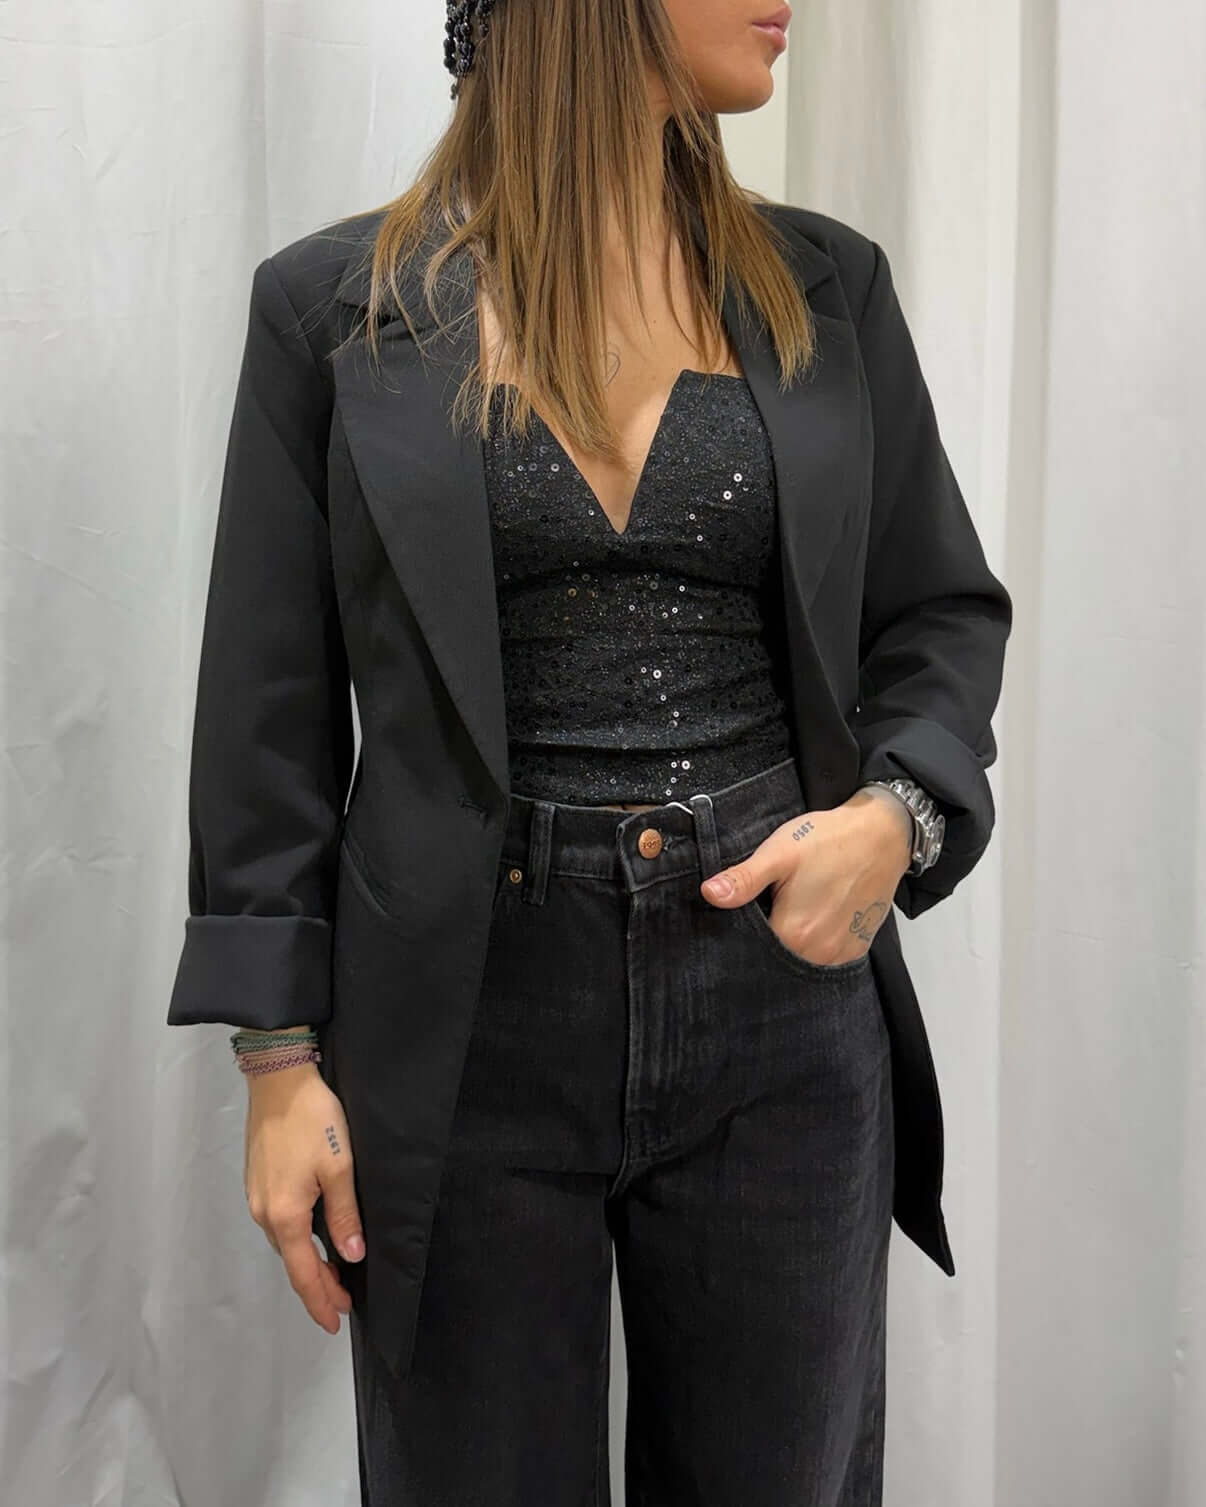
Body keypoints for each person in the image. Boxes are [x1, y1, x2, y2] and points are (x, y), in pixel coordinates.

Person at [166, 1, 1012, 1502]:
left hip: (778, 1010)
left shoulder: (828, 288)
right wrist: (277, 1063)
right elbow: (266, 704)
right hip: (464, 1021)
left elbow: (936, 612)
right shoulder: (333, 313)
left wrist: (896, 816)